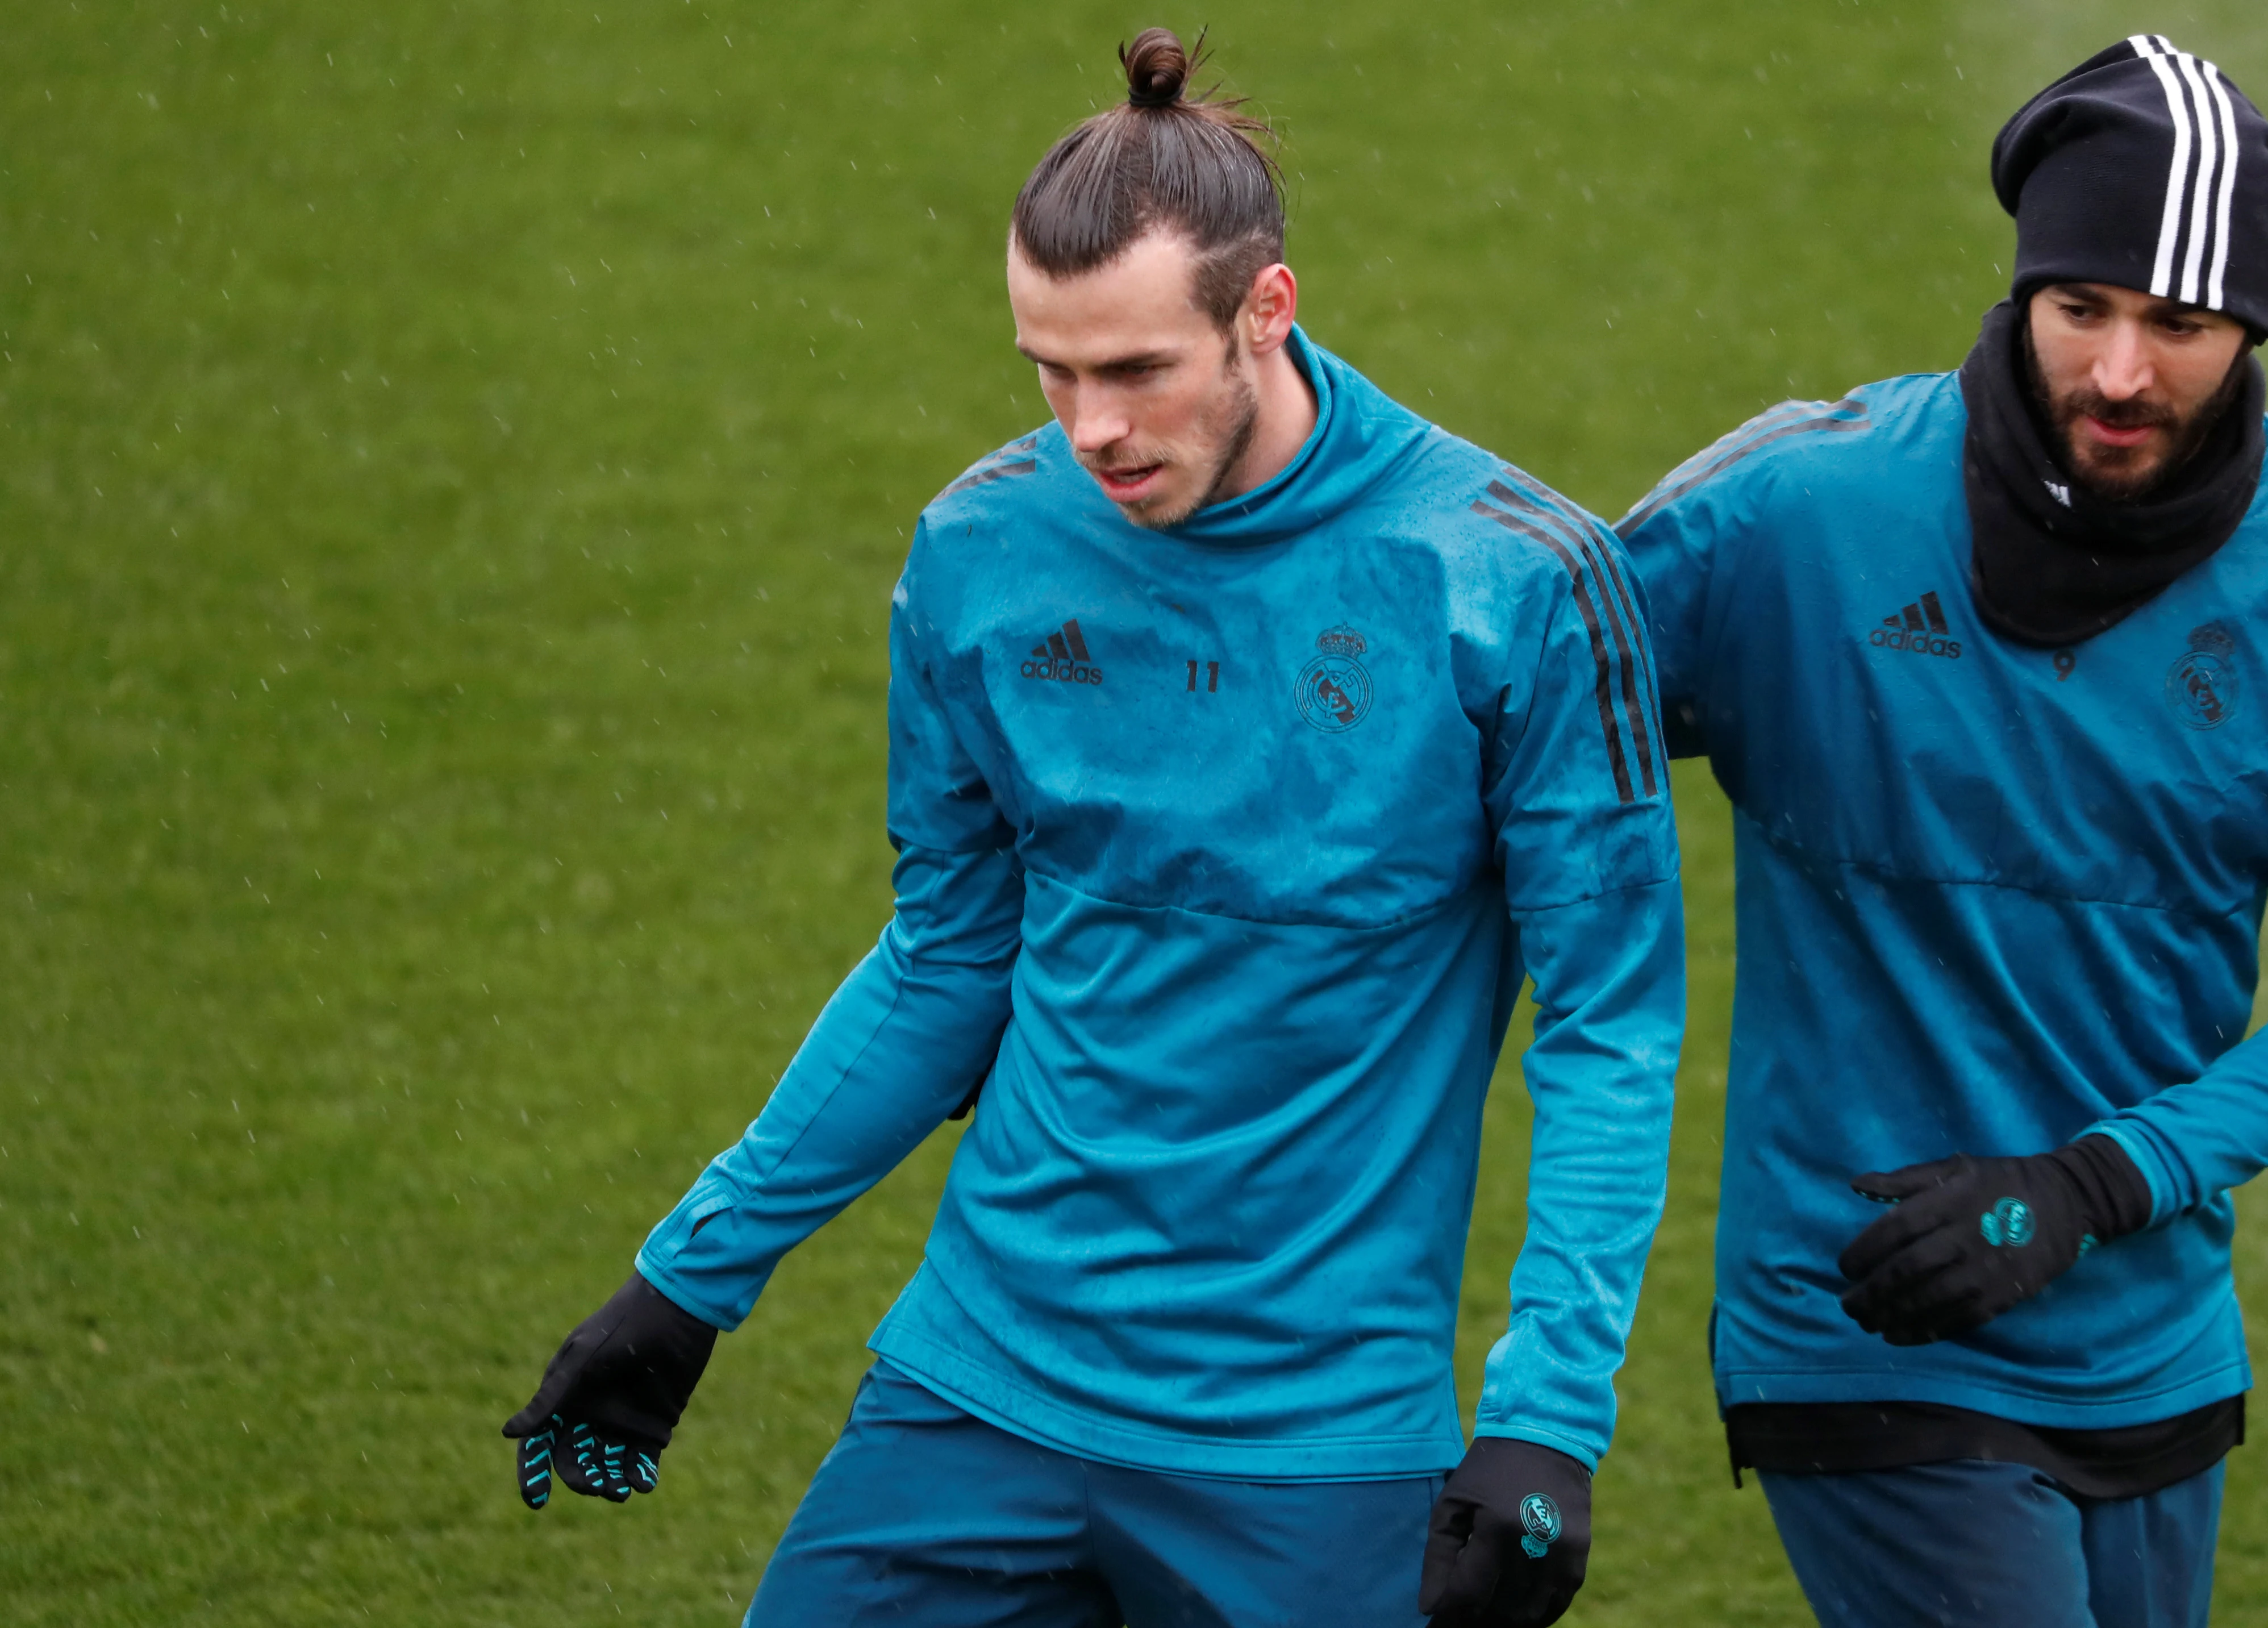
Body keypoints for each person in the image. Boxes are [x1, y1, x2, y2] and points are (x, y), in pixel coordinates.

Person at [501, 30, 1684, 1628]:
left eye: (1136, 371)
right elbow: (945, 961)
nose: (1092, 430)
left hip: (1309, 1449)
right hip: (979, 1391)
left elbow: (1609, 1026)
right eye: (1049, 371)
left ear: (1266, 309)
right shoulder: (985, 551)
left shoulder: (1515, 583)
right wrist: (688, 1280)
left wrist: (1546, 1415)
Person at [1616, 35, 2268, 1628]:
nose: (2121, 374)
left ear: (2256, 323)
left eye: (2180, 323)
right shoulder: (1796, 515)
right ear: (2022, 287)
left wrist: (2096, 1182)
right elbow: (1509, 730)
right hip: (1866, 1321)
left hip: (2152, 1331)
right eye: (2080, 307)